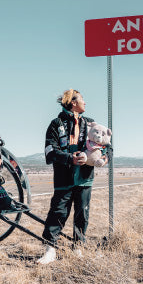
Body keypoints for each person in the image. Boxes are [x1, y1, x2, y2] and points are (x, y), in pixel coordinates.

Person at [37, 89, 112, 264]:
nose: (85, 103)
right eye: (82, 99)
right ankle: (50, 250)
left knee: (82, 214)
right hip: (63, 180)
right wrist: (69, 158)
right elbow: (50, 152)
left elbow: (108, 145)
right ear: (73, 103)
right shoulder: (56, 124)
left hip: (85, 179)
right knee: (57, 213)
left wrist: (105, 157)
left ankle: (78, 248)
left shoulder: (91, 124)